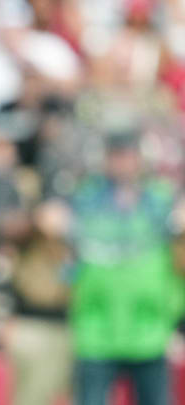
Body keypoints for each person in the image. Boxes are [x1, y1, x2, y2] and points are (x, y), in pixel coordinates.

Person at [69, 130, 185, 405]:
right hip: (96, 331)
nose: (122, 163)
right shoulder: (85, 199)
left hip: (150, 331)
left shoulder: (162, 199)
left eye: (128, 155)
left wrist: (172, 314)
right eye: (115, 155)